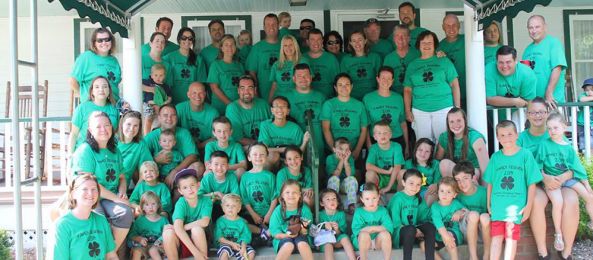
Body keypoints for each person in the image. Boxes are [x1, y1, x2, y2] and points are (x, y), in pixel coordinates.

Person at [522, 98, 580, 260]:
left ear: (547, 113)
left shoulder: (557, 134)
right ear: (527, 115)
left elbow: (571, 164)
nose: (537, 115)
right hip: (537, 184)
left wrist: (565, 176)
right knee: (536, 201)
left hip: (560, 182)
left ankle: (566, 252)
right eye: (533, 112)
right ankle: (543, 254)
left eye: (541, 112)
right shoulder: (522, 138)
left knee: (572, 200)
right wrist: (544, 178)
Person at [70, 111, 133, 253]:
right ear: (90, 131)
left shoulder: (115, 151)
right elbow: (89, 184)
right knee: (99, 219)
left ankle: (109, 253)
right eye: (98, 127)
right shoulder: (85, 151)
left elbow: (122, 176)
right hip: (91, 196)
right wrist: (117, 198)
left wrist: (122, 193)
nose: (104, 129)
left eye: (107, 125)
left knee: (125, 213)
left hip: (109, 196)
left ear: (112, 127)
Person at [535, 113, 593, 252]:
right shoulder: (544, 144)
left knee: (589, 196)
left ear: (564, 127)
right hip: (551, 180)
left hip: (568, 179)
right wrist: (545, 177)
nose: (552, 131)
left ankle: (592, 220)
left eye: (555, 127)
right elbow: (538, 165)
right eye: (549, 128)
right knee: (558, 202)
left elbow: (577, 166)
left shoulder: (568, 146)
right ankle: (558, 234)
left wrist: (586, 185)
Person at [484, 120, 542, 260]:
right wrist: (488, 204)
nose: (506, 138)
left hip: (515, 206)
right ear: (497, 138)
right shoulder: (495, 157)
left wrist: (528, 206)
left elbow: (532, 183)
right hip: (498, 206)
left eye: (510, 134)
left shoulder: (525, 155)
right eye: (502, 135)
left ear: (517, 135)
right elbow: (490, 183)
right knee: (496, 238)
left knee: (511, 239)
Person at [404, 30, 460, 142]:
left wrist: (457, 108)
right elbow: (407, 90)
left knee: (443, 141)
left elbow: (454, 84)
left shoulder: (444, 61)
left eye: (430, 42)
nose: (426, 45)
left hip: (443, 107)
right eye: (423, 43)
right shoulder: (412, 65)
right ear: (418, 45)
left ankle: (443, 160)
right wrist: (407, 110)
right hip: (420, 110)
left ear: (435, 45)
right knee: (423, 143)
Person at [51, 174, 118, 260]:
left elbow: (111, 256)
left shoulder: (101, 220)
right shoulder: (63, 225)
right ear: (73, 194)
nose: (90, 193)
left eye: (94, 189)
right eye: (84, 189)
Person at [144, 104, 204, 187]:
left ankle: (181, 196)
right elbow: (141, 161)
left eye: (173, 115)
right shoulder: (151, 137)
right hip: (156, 176)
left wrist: (175, 171)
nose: (169, 118)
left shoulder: (184, 133)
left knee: (198, 167)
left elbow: (193, 156)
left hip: (179, 174)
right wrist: (155, 160)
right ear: (159, 118)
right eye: (165, 115)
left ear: (177, 118)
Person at [162, 169, 212, 260]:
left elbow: (205, 222)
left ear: (198, 185)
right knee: (168, 233)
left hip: (200, 240)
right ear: (180, 191)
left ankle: (202, 258)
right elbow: (178, 229)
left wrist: (182, 227)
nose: (189, 189)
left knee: (196, 229)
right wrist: (196, 253)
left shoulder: (206, 200)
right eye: (185, 187)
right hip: (183, 242)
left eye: (192, 185)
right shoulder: (181, 203)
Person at [388, 169, 436, 260]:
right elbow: (395, 223)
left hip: (413, 232)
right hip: (399, 234)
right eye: (411, 183)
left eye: (418, 184)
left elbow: (426, 216)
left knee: (430, 227)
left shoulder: (418, 198)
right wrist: (415, 230)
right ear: (403, 182)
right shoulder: (397, 198)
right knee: (410, 229)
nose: (415, 187)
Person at [523, 15, 568, 108]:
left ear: (545, 27)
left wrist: (549, 93)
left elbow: (557, 68)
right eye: (530, 28)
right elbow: (525, 74)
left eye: (537, 27)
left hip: (551, 102)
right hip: (533, 103)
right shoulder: (527, 50)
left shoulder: (553, 43)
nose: (534, 30)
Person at [321, 73, 369, 160]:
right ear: (335, 87)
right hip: (333, 151)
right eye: (340, 85)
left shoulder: (359, 105)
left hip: (353, 150)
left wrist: (357, 150)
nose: (344, 88)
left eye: (347, 84)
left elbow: (364, 129)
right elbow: (326, 129)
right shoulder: (328, 104)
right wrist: (335, 151)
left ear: (352, 86)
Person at [285, 63, 327, 157]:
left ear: (311, 78)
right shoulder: (286, 97)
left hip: (318, 144)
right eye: (299, 76)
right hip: (295, 145)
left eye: (306, 76)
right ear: (293, 79)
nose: (303, 79)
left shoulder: (321, 97)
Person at [436, 108, 489, 182]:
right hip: (454, 174)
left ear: (465, 120)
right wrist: (436, 183)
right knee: (444, 163)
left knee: (474, 173)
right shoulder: (444, 137)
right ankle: (453, 191)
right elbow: (436, 161)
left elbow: (485, 167)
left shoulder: (475, 137)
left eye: (459, 120)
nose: (455, 125)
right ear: (448, 124)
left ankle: (471, 192)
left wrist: (485, 190)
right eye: (451, 122)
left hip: (472, 173)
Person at [69, 76, 119, 154]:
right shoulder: (82, 108)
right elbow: (74, 134)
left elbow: (116, 133)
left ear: (109, 90)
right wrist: (70, 155)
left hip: (107, 154)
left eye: (105, 86)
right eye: (97, 87)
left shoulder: (114, 109)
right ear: (92, 91)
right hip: (85, 153)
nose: (101, 89)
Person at [363, 66, 408, 153]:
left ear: (392, 80)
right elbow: (366, 126)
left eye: (389, 78)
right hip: (376, 140)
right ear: (377, 79)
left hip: (396, 138)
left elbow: (403, 124)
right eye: (383, 78)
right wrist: (369, 145)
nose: (386, 81)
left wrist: (406, 147)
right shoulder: (368, 98)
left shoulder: (398, 98)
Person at [452, 161, 491, 260]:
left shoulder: (484, 192)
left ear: (473, 178)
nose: (462, 183)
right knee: (473, 215)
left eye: (465, 178)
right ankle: (473, 257)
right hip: (465, 231)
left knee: (485, 217)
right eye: (458, 180)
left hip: (483, 232)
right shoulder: (455, 194)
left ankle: (487, 255)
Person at [70, 28, 122, 102]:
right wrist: (84, 95)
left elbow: (116, 82)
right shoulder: (86, 57)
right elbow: (73, 81)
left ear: (111, 41)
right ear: (94, 43)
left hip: (113, 105)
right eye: (100, 40)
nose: (104, 43)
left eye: (107, 39)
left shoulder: (114, 60)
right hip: (92, 106)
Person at [258, 96, 309, 169]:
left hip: (289, 162)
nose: (279, 109)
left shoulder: (295, 128)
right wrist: (283, 149)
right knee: (274, 155)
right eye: (276, 106)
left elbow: (299, 152)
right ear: (272, 110)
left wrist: (304, 142)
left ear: (288, 111)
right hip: (271, 161)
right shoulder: (265, 125)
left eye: (283, 106)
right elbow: (263, 149)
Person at [240, 143, 277, 239]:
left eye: (262, 154)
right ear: (249, 157)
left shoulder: (270, 176)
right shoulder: (245, 177)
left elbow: (274, 197)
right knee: (242, 224)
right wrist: (253, 214)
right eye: (255, 154)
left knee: (279, 222)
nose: (258, 157)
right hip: (251, 214)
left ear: (267, 157)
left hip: (269, 213)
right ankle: (263, 234)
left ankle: (264, 236)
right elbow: (245, 199)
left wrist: (269, 215)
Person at [269, 180, 314, 259]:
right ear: (282, 195)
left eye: (294, 192)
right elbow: (275, 233)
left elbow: (308, 229)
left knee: (303, 245)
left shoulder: (304, 210)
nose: (291, 195)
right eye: (287, 192)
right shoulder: (278, 211)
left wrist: (303, 230)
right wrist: (287, 235)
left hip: (301, 238)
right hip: (283, 238)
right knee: (288, 245)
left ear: (300, 195)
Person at [163, 27, 208, 104]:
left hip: (192, 101)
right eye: (184, 38)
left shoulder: (199, 60)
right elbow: (164, 82)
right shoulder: (169, 58)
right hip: (173, 100)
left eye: (190, 38)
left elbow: (201, 82)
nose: (187, 40)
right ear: (179, 39)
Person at [486, 45, 537, 111]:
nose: (504, 66)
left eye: (508, 62)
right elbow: (489, 99)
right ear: (496, 62)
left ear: (515, 61)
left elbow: (528, 102)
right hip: (493, 116)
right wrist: (514, 101)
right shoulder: (489, 69)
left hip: (518, 114)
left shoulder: (527, 73)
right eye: (501, 62)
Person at [225, 75, 272, 146]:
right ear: (238, 90)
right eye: (242, 88)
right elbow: (238, 138)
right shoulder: (232, 108)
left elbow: (272, 128)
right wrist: (260, 145)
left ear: (255, 90)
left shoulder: (264, 104)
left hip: (266, 145)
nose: (246, 92)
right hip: (245, 148)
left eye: (250, 88)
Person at [351, 183, 393, 260]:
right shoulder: (359, 212)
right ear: (362, 199)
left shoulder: (383, 210)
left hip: (378, 241)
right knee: (363, 234)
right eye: (367, 199)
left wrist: (370, 229)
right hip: (362, 242)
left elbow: (388, 227)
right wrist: (379, 228)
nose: (371, 202)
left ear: (378, 197)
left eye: (374, 198)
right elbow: (357, 230)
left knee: (386, 234)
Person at [207, 34, 246, 114]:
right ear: (221, 48)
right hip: (220, 107)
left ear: (235, 47)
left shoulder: (239, 65)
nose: (230, 47)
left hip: (238, 106)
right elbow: (214, 88)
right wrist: (230, 104)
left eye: (232, 45)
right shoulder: (215, 65)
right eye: (226, 45)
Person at [175, 82, 220, 149]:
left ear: (205, 94)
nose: (197, 96)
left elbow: (217, 137)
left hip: (206, 147)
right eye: (194, 93)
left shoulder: (213, 113)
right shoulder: (179, 109)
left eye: (201, 93)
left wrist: (200, 146)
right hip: (183, 146)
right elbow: (171, 130)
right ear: (188, 94)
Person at [198, 151, 240, 221]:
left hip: (226, 207)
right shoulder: (207, 178)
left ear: (228, 166)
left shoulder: (232, 177)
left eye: (223, 164)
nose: (219, 168)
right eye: (216, 164)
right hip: (210, 207)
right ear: (210, 166)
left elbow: (236, 197)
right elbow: (199, 196)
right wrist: (215, 194)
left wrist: (222, 196)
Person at [247, 13, 281, 99]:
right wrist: (256, 93)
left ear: (278, 26)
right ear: (264, 27)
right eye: (268, 24)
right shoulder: (257, 48)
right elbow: (252, 73)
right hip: (263, 95)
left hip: (283, 95)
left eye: (274, 24)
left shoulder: (286, 45)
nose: (271, 27)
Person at [127, 191, 170, 260]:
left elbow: (167, 233)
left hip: (157, 246)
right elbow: (132, 234)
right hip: (143, 246)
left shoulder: (163, 220)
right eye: (147, 204)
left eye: (153, 204)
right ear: (142, 207)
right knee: (136, 251)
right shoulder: (140, 220)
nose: (150, 207)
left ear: (158, 205)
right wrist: (139, 239)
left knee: (153, 250)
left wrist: (160, 241)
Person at [340, 30, 382, 100]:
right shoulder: (346, 60)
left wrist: (378, 96)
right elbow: (342, 81)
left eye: (360, 40)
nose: (357, 43)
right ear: (350, 43)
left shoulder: (375, 57)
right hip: (353, 98)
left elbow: (380, 79)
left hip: (372, 97)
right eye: (354, 41)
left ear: (365, 41)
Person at [431, 177, 465, 260]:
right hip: (439, 235)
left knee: (448, 235)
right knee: (423, 244)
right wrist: (445, 236)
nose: (444, 194)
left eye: (448, 192)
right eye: (442, 191)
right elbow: (438, 223)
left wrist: (459, 212)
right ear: (438, 192)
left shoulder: (456, 203)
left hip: (454, 234)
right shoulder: (435, 206)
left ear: (454, 194)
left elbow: (465, 210)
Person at [365, 121, 405, 194]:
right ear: (374, 137)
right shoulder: (373, 148)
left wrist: (388, 187)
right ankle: (374, 196)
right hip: (380, 179)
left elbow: (397, 167)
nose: (382, 135)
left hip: (394, 178)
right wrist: (386, 172)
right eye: (379, 133)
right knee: (369, 174)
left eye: (385, 133)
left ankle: (399, 197)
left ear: (390, 135)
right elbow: (368, 166)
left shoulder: (397, 146)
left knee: (403, 173)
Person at [398, 138, 441, 205]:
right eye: (420, 150)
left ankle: (425, 213)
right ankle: (400, 199)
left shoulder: (436, 164)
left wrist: (435, 185)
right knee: (402, 172)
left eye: (427, 151)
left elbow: (436, 183)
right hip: (411, 190)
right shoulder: (408, 163)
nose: (423, 153)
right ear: (415, 150)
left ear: (431, 153)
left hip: (427, 191)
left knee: (432, 195)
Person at [318, 189, 357, 260]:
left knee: (345, 238)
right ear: (322, 203)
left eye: (334, 198)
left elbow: (342, 232)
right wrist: (325, 227)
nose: (332, 201)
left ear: (338, 201)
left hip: (337, 240)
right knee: (328, 245)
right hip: (326, 241)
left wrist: (337, 229)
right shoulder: (320, 215)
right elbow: (317, 231)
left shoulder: (341, 214)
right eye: (328, 199)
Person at [117, 111, 153, 188]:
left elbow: (146, 170)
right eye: (128, 124)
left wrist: (135, 194)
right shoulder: (112, 142)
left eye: (135, 126)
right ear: (122, 125)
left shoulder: (140, 145)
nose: (131, 129)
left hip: (121, 191)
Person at [214, 194, 256, 260]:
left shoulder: (242, 222)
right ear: (223, 207)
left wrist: (243, 247)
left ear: (239, 209)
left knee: (251, 253)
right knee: (224, 252)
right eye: (227, 205)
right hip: (225, 244)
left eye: (233, 206)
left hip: (239, 244)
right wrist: (232, 244)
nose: (230, 208)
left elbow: (245, 237)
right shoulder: (220, 221)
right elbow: (219, 238)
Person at [268, 35, 310, 101]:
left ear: (295, 46)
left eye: (291, 45)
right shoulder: (276, 64)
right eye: (285, 45)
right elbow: (274, 86)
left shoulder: (303, 61)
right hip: (279, 100)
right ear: (282, 48)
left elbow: (309, 82)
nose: (288, 48)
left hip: (296, 99)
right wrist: (269, 101)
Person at [438, 14, 467, 108]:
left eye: (454, 25)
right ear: (443, 27)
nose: (451, 28)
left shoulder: (467, 40)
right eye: (448, 26)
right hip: (449, 94)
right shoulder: (439, 47)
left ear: (459, 25)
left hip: (469, 91)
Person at [383, 24, 420, 95]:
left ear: (409, 38)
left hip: (415, 95)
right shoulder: (388, 58)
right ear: (393, 38)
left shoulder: (418, 54)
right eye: (397, 36)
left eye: (404, 35)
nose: (400, 39)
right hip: (396, 96)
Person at [326, 137, 359, 214]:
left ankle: (351, 205)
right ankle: (335, 204)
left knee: (351, 179)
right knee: (334, 178)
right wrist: (341, 161)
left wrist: (346, 161)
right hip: (333, 185)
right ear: (334, 149)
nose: (344, 152)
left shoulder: (350, 159)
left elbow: (349, 174)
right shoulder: (330, 158)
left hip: (345, 186)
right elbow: (335, 174)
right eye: (341, 149)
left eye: (346, 149)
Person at [305, 29, 340, 98]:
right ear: (307, 42)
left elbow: (338, 82)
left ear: (322, 41)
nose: (316, 42)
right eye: (312, 39)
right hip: (308, 100)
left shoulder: (331, 59)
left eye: (318, 39)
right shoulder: (302, 58)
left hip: (328, 100)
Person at [142, 63, 173, 135]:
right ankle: (147, 135)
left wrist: (166, 102)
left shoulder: (165, 86)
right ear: (152, 75)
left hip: (160, 105)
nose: (158, 77)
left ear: (164, 76)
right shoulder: (148, 82)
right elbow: (137, 84)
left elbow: (169, 97)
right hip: (148, 104)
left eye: (161, 75)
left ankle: (156, 132)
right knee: (148, 118)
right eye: (156, 75)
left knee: (162, 119)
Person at [577, 78, 593, 150]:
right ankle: (584, 155)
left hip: (592, 124)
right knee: (583, 141)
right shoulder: (583, 96)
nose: (589, 92)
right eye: (587, 90)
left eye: (592, 90)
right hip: (582, 124)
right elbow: (582, 100)